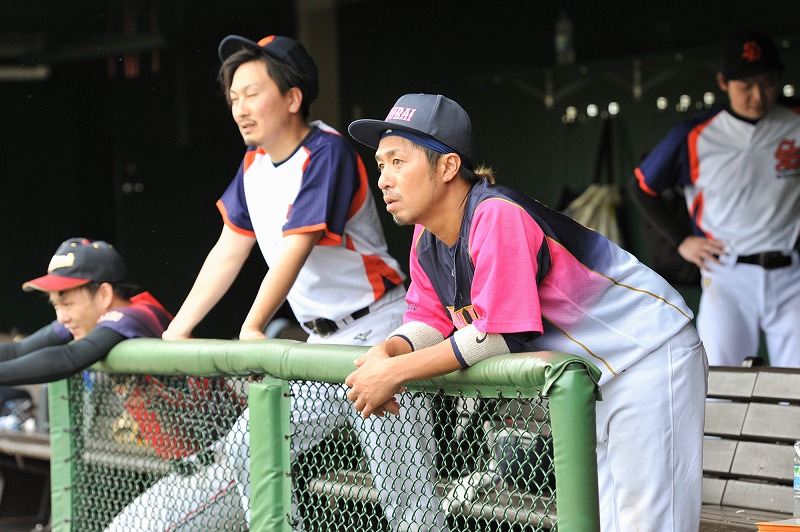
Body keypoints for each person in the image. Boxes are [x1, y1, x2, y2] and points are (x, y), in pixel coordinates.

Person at [110, 34, 445, 531]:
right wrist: (176, 331)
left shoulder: (327, 150)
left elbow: (296, 247)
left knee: (405, 492)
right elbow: (228, 249)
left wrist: (252, 328)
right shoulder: (253, 163)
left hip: (379, 332)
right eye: (233, 97)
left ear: (292, 98)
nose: (240, 108)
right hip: (319, 343)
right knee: (250, 445)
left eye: (252, 93)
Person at [344, 93, 708, 532]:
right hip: (591, 376)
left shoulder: (496, 214)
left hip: (646, 353)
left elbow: (499, 335)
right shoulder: (426, 237)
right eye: (381, 165)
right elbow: (429, 322)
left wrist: (394, 373)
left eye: (398, 162)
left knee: (650, 522)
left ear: (448, 166)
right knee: (603, 523)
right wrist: (387, 353)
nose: (384, 179)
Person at [632, 29, 800, 367]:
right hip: (727, 271)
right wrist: (681, 241)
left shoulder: (795, 120)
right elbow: (642, 186)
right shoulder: (695, 134)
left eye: (767, 83)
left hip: (791, 272)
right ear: (724, 82)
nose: (758, 95)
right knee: (721, 379)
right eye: (746, 85)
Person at [0, 237, 172, 386]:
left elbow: (70, 357)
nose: (62, 318)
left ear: (104, 294)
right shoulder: (85, 320)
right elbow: (18, 349)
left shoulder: (136, 314)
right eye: (56, 306)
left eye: (68, 304)